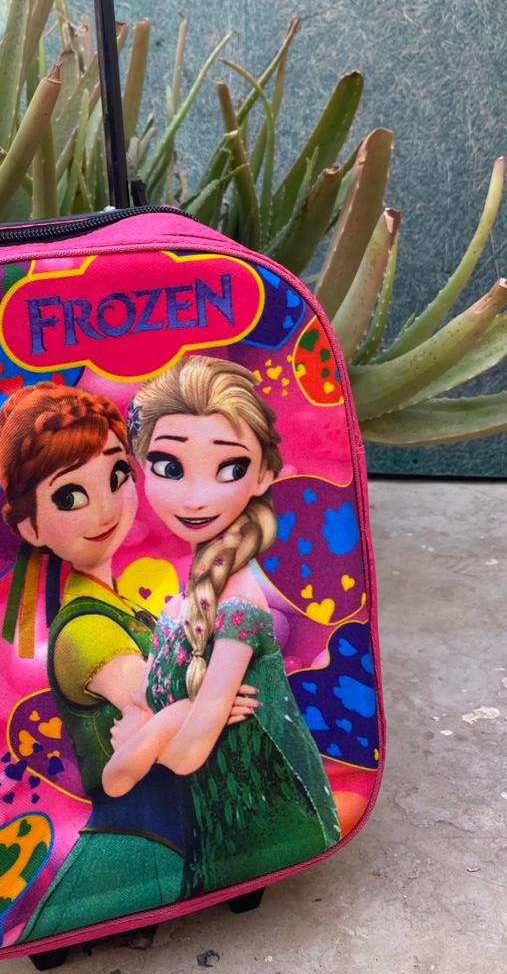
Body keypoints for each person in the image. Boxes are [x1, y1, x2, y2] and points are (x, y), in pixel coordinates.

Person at [103, 356, 341, 898]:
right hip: (210, 822)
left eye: (229, 469)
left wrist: (159, 727)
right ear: (141, 467)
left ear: (263, 476)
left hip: (258, 822)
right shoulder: (179, 606)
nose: (195, 497)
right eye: (169, 466)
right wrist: (164, 724)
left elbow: (183, 755)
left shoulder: (239, 608)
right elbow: (119, 774)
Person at [0, 382, 187, 939]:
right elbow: (166, 703)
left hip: (168, 829)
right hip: (139, 847)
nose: (105, 507)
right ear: (29, 527)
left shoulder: (116, 604)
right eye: (69, 497)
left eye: (117, 474)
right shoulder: (86, 629)